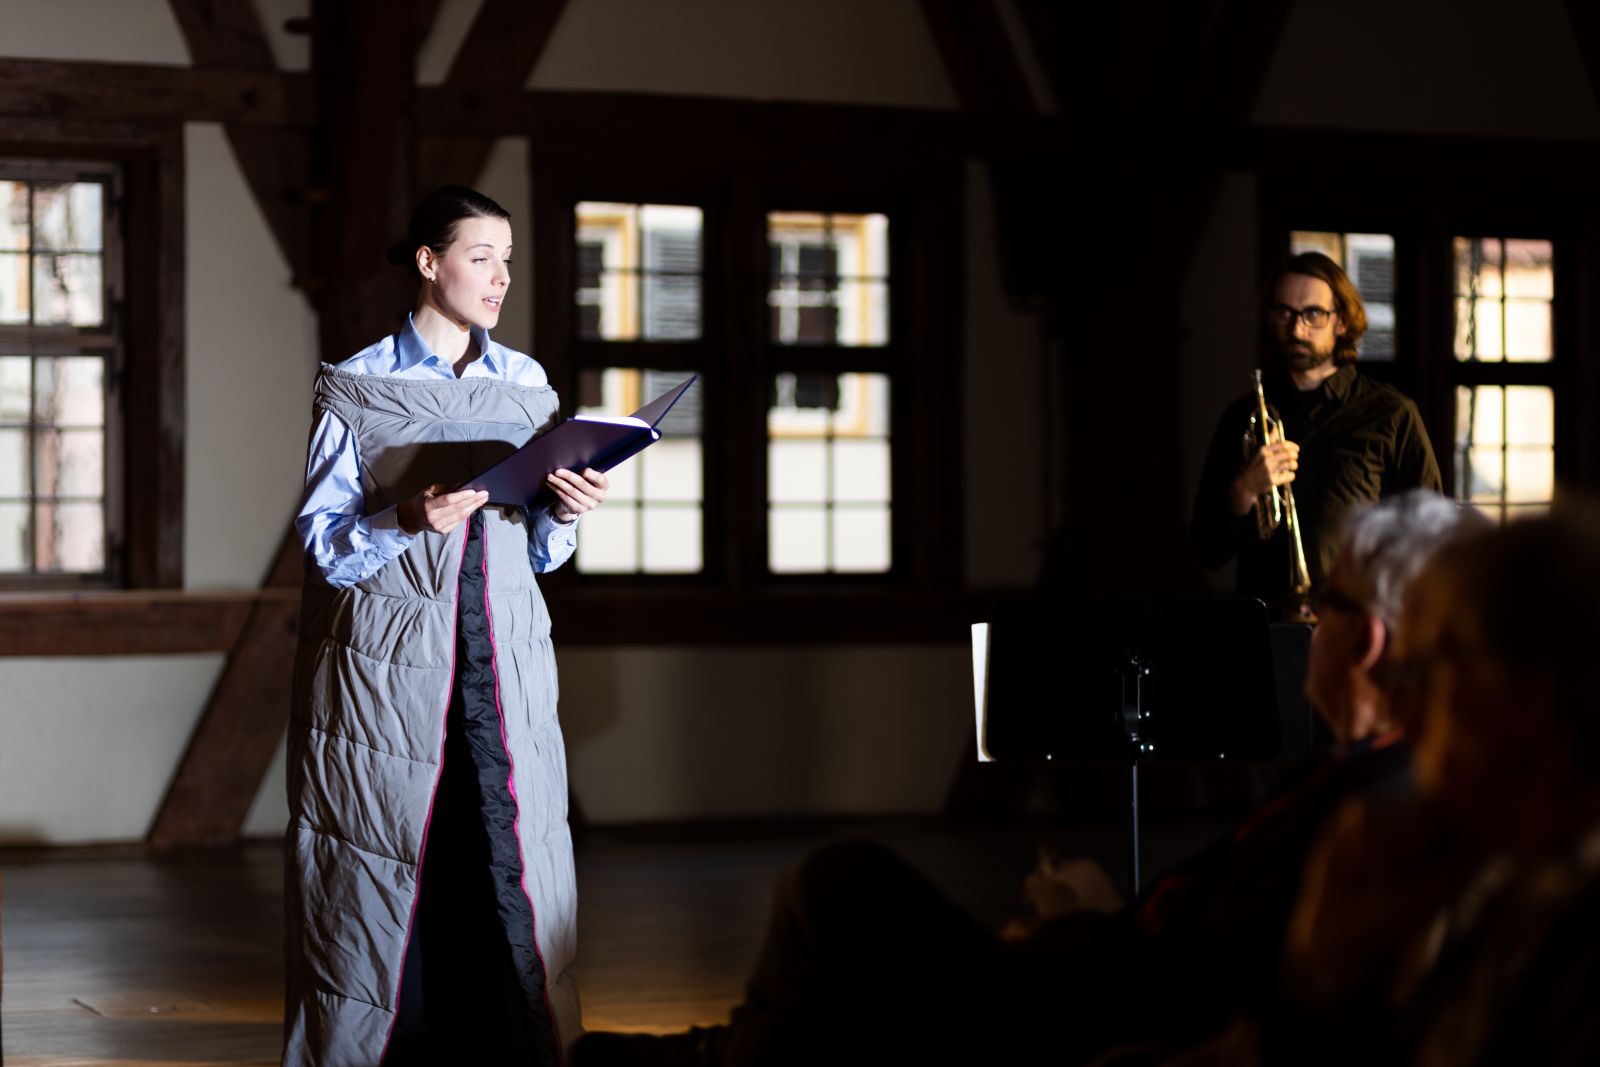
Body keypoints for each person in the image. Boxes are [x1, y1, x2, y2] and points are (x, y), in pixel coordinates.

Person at [570, 491, 1478, 1067]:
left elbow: (1221, 993)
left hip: (1088, 1018)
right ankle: (724, 1053)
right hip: (1101, 969)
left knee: (838, 881)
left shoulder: (1379, 809)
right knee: (834, 997)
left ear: (1366, 640)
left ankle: (714, 1055)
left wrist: (1084, 926)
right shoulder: (1367, 776)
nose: (1308, 625)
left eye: (1324, 608)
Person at [282, 185, 607, 1066]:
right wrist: (405, 521)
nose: (499, 277)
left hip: (501, 669)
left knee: (500, 864)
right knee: (386, 871)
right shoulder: (359, 386)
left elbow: (540, 557)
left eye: (507, 259)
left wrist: (566, 511)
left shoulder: (527, 385)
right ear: (428, 263)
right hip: (388, 676)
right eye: (479, 257)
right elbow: (324, 550)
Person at [1258, 503, 1600, 1066]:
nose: (1411, 719)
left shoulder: (1580, 949)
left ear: (1528, 697)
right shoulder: (1505, 882)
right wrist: (1331, 975)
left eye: (1433, 670)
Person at [1191, 252, 1442, 617]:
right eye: (1284, 313)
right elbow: (1207, 551)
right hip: (1265, 636)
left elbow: (1430, 537)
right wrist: (1244, 490)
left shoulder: (1392, 414)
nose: (1296, 329)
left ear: (1340, 321)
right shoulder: (1240, 418)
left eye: (1313, 314)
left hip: (1357, 631)